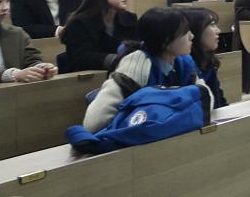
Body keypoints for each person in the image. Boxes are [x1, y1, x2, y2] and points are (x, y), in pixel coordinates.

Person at [82, 7, 213, 133]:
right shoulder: (136, 66)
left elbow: (207, 100)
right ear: (165, 40)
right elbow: (93, 123)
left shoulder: (184, 62)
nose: (192, 36)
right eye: (185, 32)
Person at [62, 0, 139, 72]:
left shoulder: (129, 18)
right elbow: (83, 58)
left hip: (124, 72)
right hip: (87, 77)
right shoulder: (79, 23)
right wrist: (119, 60)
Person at [0, 0, 59, 83]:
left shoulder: (16, 33)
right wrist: (12, 74)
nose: (5, 7)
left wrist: (41, 68)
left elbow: (31, 60)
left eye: (8, 1)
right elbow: (15, 74)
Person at [184, 7, 227, 108]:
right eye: (212, 25)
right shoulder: (184, 65)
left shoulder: (208, 60)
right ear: (195, 30)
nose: (218, 31)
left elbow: (218, 100)